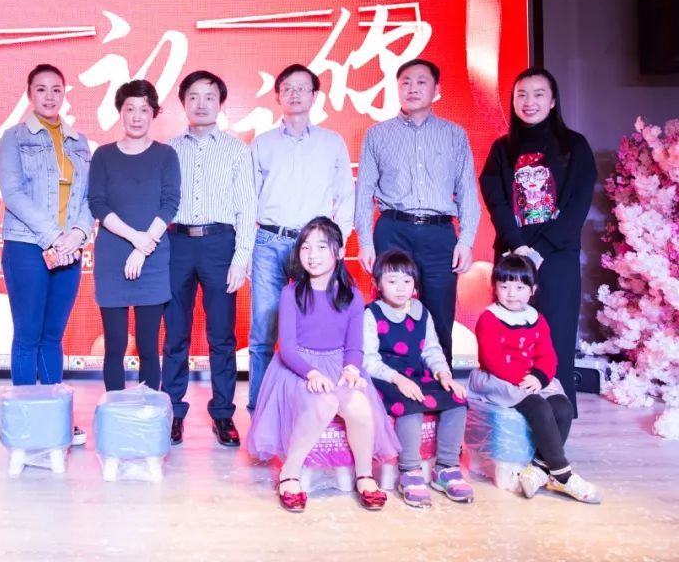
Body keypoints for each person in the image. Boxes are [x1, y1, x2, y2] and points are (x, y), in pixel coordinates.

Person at [246, 217, 399, 513]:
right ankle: (290, 473)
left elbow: (354, 346)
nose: (312, 255)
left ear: (339, 252)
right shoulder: (291, 293)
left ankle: (364, 475)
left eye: (321, 247)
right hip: (299, 368)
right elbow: (287, 348)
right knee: (324, 402)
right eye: (305, 247)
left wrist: (351, 368)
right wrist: (311, 373)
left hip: (338, 365)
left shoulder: (352, 296)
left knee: (359, 405)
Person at [479, 66, 597, 416]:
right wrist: (519, 247)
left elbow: (577, 204)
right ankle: (515, 412)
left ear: (553, 100)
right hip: (513, 256)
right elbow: (496, 199)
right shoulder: (502, 148)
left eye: (538, 94)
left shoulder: (574, 146)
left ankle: (558, 415)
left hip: (556, 255)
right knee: (509, 333)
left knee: (556, 334)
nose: (529, 102)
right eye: (522, 95)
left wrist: (540, 250)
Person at [356, 58, 480, 365]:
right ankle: (390, 382)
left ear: (436, 89)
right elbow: (363, 193)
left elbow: (467, 190)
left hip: (440, 234)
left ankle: (439, 384)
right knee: (389, 312)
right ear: (397, 88)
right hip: (393, 230)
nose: (412, 88)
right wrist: (365, 242)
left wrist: (466, 241)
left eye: (421, 82)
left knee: (440, 315)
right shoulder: (377, 134)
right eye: (405, 82)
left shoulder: (454, 135)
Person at [248, 64, 354, 413]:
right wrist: (245, 250)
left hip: (315, 247)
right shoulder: (262, 144)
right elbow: (247, 201)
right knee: (264, 332)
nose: (294, 94)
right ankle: (261, 410)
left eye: (302, 88)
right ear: (278, 95)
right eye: (287, 88)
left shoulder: (331, 143)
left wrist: (336, 244)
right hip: (269, 242)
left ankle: (310, 406)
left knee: (315, 329)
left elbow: (345, 196)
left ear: (314, 96)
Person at [0, 63, 94, 445]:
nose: (49, 96)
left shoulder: (79, 142)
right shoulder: (14, 138)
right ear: (29, 94)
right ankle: (25, 422)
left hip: (69, 250)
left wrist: (78, 234)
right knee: (28, 335)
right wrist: (55, 236)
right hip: (27, 246)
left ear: (64, 93)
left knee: (53, 337)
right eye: (41, 89)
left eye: (56, 89)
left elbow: (89, 198)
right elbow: (13, 193)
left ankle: (56, 419)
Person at [163, 70, 256, 447]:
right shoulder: (168, 150)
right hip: (176, 244)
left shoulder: (237, 150)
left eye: (210, 97)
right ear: (183, 103)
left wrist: (241, 257)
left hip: (220, 244)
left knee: (222, 336)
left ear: (221, 104)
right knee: (175, 333)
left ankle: (223, 414)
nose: (201, 104)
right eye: (194, 97)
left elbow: (247, 207)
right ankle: (172, 411)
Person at [469, 255, 602, 503]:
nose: (511, 294)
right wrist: (524, 380)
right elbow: (492, 359)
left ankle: (540, 467)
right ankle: (562, 474)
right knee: (538, 406)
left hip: (531, 378)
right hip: (500, 380)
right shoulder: (489, 318)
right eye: (504, 286)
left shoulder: (536, 318)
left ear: (533, 290)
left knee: (562, 406)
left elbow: (547, 355)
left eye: (520, 287)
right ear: (494, 287)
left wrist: (539, 378)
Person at [88, 79, 180, 392]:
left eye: (144, 109)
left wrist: (143, 248)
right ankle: (116, 413)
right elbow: (98, 204)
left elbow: (170, 203)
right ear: (120, 112)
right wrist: (134, 239)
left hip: (152, 259)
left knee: (147, 346)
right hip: (112, 257)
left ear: (154, 113)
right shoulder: (103, 155)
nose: (137, 116)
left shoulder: (166, 155)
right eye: (130, 109)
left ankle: (147, 413)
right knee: (115, 346)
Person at [362, 249, 473, 508]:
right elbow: (368, 360)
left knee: (457, 398)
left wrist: (444, 374)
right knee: (409, 403)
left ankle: (446, 468)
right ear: (378, 284)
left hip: (416, 375)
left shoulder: (422, 311)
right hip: (385, 379)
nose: (400, 288)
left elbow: (431, 350)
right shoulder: (371, 314)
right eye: (392, 281)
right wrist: (398, 380)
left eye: (407, 281)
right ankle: (410, 472)